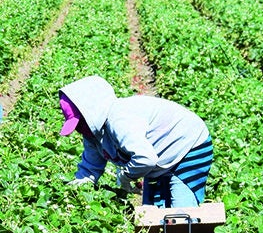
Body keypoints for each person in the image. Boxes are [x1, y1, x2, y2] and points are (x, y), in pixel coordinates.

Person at [61, 75, 213, 209]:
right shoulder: (92, 134)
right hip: (159, 157)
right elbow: (89, 169)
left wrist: (125, 177)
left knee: (181, 212)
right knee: (151, 213)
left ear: (92, 113)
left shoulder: (119, 120)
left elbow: (146, 159)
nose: (78, 129)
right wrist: (73, 192)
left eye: (80, 123)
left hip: (189, 145)